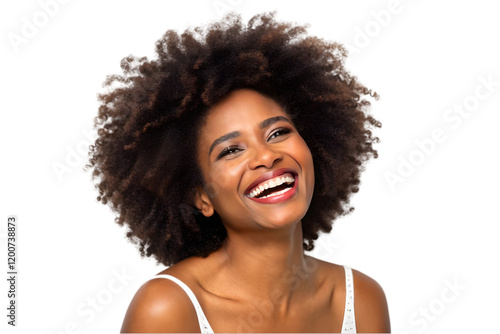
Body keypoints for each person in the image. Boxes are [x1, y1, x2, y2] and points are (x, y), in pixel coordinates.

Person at [87, 12, 390, 333]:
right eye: (231, 150)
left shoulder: (359, 300)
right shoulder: (168, 308)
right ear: (201, 196)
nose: (266, 156)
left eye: (278, 133)